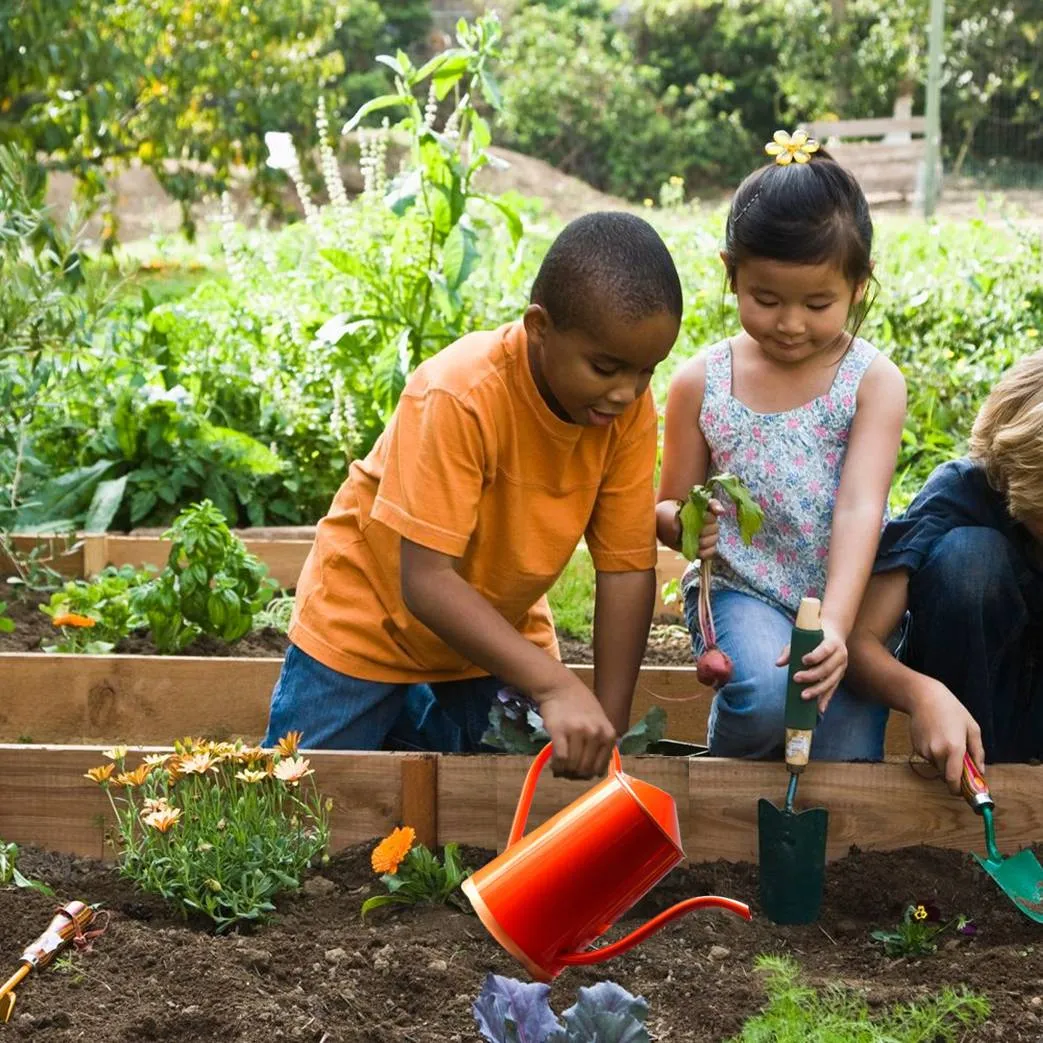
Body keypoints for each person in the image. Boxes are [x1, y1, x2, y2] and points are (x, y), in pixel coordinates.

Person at [262, 211, 683, 779]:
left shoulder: (623, 410)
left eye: (646, 371)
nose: (627, 391)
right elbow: (427, 583)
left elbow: (627, 569)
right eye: (605, 367)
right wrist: (556, 684)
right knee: (301, 799)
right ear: (539, 327)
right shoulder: (460, 394)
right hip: (370, 617)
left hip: (493, 627)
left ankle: (411, 714)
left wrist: (604, 730)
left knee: (539, 781)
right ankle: (398, 704)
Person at [655, 129, 906, 760]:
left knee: (843, 761)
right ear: (731, 273)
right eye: (765, 299)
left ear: (858, 285)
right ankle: (721, 808)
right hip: (746, 590)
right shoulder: (701, 382)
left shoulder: (871, 383)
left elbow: (859, 508)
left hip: (845, 594)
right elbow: (667, 506)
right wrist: (687, 527)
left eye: (818, 303)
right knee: (766, 697)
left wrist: (839, 628)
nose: (790, 323)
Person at [847, 350, 1043, 792]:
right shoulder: (962, 492)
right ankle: (971, 780)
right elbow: (859, 644)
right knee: (970, 559)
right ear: (1013, 479)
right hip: (975, 706)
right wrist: (921, 695)